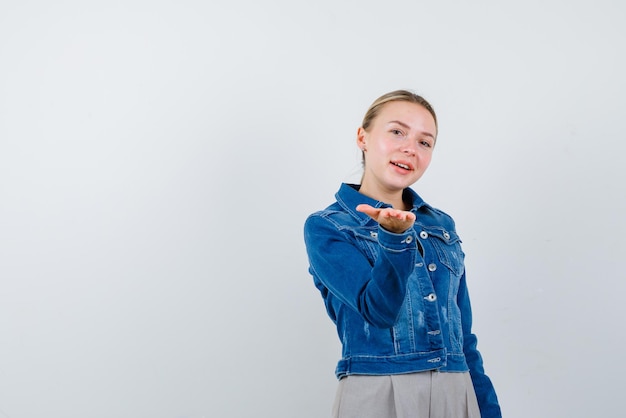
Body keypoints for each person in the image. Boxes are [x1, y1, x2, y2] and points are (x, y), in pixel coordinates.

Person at [303, 90, 502, 418]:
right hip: (380, 390)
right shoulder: (328, 227)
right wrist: (394, 240)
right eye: (397, 131)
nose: (411, 148)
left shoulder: (441, 224)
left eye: (425, 142)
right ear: (362, 137)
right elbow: (379, 311)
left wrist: (489, 409)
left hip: (457, 389)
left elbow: (464, 339)